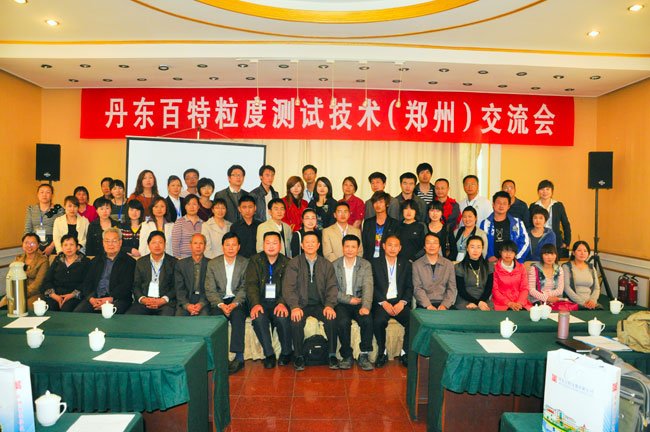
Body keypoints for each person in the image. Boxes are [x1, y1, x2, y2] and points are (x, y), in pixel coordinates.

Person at [282, 232, 339, 371]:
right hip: (301, 304)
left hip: (321, 304)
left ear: (318, 245)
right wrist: (294, 306)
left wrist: (329, 305)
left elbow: (332, 287)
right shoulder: (294, 263)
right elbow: (289, 287)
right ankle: (299, 356)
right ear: (302, 245)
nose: (310, 245)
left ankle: (331, 355)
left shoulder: (326, 264)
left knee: (331, 318)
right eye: (307, 242)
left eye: (313, 242)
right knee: (296, 321)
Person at [245, 232, 293, 369]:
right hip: (261, 302)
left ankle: (286, 352)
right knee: (258, 318)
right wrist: (255, 304)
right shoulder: (255, 260)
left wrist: (282, 303)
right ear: (263, 244)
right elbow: (251, 285)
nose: (271, 246)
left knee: (282, 318)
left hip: (279, 302)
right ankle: (269, 354)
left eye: (274, 243)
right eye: (268, 243)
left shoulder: (287, 262)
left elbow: (289, 286)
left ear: (280, 246)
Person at [205, 232, 249, 374]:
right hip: (219, 300)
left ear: (239, 247)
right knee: (217, 320)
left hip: (237, 300)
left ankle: (239, 358)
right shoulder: (213, 264)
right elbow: (210, 289)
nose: (230, 248)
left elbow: (245, 287)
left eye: (234, 245)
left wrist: (235, 303)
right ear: (222, 246)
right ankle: (220, 357)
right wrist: (221, 305)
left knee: (238, 316)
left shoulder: (245, 263)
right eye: (227, 245)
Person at [333, 234, 374, 371]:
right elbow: (332, 289)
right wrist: (348, 299)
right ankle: (347, 355)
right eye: (347, 246)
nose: (350, 250)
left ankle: (364, 354)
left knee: (367, 320)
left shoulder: (365, 265)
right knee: (342, 322)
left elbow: (368, 287)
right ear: (342, 247)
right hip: (342, 302)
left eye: (353, 247)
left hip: (360, 301)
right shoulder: (335, 265)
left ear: (358, 249)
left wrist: (366, 306)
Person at [371, 235, 413, 368]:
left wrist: (403, 302)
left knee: (413, 321)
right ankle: (382, 352)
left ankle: (405, 353)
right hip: (382, 302)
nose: (392, 248)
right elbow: (372, 286)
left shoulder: (406, 264)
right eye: (390, 245)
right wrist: (383, 302)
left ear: (400, 248)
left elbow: (409, 287)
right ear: (383, 246)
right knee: (378, 321)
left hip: (399, 301)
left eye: (396, 246)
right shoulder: (374, 263)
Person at [74, 227, 135, 314]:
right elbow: (87, 283)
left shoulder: (129, 262)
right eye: (107, 241)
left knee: (112, 314)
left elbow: (126, 285)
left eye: (114, 241)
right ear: (103, 243)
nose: (110, 244)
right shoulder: (95, 261)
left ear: (120, 242)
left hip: (117, 299)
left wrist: (110, 299)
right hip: (95, 298)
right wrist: (90, 298)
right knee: (78, 313)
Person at [127, 230, 177, 316]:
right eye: (154, 242)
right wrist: (143, 299)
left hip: (165, 303)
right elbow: (136, 285)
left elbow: (176, 286)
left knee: (166, 319)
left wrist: (163, 300)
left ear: (165, 244)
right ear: (148, 245)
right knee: (130, 317)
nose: (157, 246)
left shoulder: (174, 262)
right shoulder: (141, 262)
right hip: (145, 302)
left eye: (160, 242)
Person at [0, 233, 49, 310]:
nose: (29, 246)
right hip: (17, 291)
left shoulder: (43, 261)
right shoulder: (18, 259)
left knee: (25, 308)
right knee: (3, 305)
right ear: (22, 245)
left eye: (32, 243)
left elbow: (38, 283)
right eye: (26, 243)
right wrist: (14, 292)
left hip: (35, 293)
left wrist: (21, 293)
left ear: (38, 245)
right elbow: (11, 277)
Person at [40, 234, 89, 312]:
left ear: (77, 247)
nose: (68, 248)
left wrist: (72, 295)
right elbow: (47, 279)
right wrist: (54, 295)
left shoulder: (85, 261)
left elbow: (87, 282)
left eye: (71, 245)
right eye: (65, 245)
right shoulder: (57, 260)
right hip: (55, 294)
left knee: (66, 308)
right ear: (62, 248)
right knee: (47, 307)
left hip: (73, 296)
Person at [479, 191, 530, 263]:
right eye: (499, 203)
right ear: (493, 204)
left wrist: (515, 257)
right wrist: (488, 256)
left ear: (509, 206)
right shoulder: (485, 224)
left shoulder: (517, 223)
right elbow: (480, 243)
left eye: (504, 203)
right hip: (491, 264)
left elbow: (525, 242)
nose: (501, 206)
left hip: (512, 264)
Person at [412, 233, 457, 310]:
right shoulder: (416, 265)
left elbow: (452, 288)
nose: (432, 246)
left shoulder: (448, 264)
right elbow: (417, 288)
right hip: (424, 305)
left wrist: (445, 305)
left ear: (439, 247)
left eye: (435, 243)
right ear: (424, 246)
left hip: (445, 304)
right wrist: (428, 305)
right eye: (428, 243)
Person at [529, 179, 572, 258]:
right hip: (538, 241)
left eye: (547, 189)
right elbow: (530, 224)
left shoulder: (558, 205)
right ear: (538, 192)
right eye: (542, 189)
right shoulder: (533, 206)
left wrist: (566, 242)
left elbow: (565, 224)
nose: (545, 192)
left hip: (556, 242)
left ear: (552, 191)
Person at [175, 233, 210, 316]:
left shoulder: (211, 264)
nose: (198, 246)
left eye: (201, 243)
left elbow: (210, 289)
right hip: (186, 299)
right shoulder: (181, 264)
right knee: (179, 318)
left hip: (204, 301)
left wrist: (201, 304)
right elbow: (179, 288)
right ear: (190, 245)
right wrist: (187, 305)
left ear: (205, 246)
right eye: (195, 243)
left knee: (204, 317)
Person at [454, 236, 493, 310]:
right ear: (467, 248)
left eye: (478, 247)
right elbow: (461, 290)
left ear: (482, 248)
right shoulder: (459, 267)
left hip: (484, 300)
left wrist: (480, 302)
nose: (475, 250)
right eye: (472, 247)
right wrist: (477, 302)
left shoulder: (489, 266)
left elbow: (489, 288)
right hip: (464, 300)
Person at [24, 183, 63, 256]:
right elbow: (27, 229)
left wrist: (51, 246)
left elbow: (62, 230)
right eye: (42, 192)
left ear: (52, 195)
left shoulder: (58, 209)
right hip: (34, 243)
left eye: (48, 192)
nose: (44, 195)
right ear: (37, 194)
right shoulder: (31, 209)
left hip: (53, 242)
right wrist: (32, 246)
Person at [492, 240, 532, 311]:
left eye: (511, 252)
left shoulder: (521, 268)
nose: (508, 254)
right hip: (502, 304)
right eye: (505, 251)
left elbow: (524, 288)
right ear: (500, 252)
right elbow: (495, 290)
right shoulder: (495, 268)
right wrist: (509, 303)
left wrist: (519, 303)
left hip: (520, 303)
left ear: (515, 254)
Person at [562, 241, 601, 309]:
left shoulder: (591, 267)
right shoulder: (567, 267)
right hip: (573, 303)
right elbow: (566, 288)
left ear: (588, 254)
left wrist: (593, 301)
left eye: (585, 251)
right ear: (573, 253)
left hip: (590, 303)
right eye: (579, 250)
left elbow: (596, 288)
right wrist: (582, 303)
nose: (582, 253)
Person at [361, 191, 398, 261]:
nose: (378, 205)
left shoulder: (394, 223)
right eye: (375, 202)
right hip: (370, 260)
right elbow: (364, 244)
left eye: (381, 202)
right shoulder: (368, 223)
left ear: (387, 204)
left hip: (387, 260)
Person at [171, 194, 203, 258]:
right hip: (183, 258)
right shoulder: (179, 222)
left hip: (199, 258)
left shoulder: (203, 223)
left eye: (194, 204)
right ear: (185, 207)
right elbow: (175, 245)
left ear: (198, 206)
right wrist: (178, 260)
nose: (191, 207)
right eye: (188, 204)